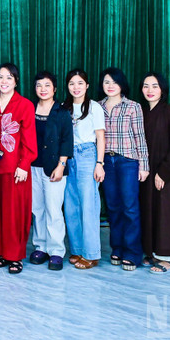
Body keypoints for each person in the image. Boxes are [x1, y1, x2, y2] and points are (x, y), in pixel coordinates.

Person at [0, 63, 37, 275]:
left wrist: (24, 165)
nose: (4, 81)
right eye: (0, 77)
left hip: (16, 169)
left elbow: (29, 140)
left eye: (9, 77)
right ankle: (1, 252)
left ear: (16, 81)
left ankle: (15, 256)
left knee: (15, 214)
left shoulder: (25, 105)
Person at [99, 67, 149, 271]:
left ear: (122, 84)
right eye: (106, 82)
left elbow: (140, 137)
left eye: (114, 82)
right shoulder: (97, 107)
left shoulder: (133, 106)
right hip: (106, 162)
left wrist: (144, 165)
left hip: (128, 161)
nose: (110, 86)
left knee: (130, 207)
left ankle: (132, 252)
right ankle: (117, 248)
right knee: (113, 207)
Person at [140, 72, 170, 274]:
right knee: (148, 211)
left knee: (166, 213)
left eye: (155, 86)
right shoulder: (141, 112)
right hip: (146, 172)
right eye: (146, 86)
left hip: (167, 174)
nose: (150, 90)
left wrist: (164, 173)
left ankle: (169, 258)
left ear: (163, 89)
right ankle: (152, 252)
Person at [61, 69, 105, 270]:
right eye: (72, 83)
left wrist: (99, 163)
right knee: (71, 205)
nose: (76, 87)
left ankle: (91, 254)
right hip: (68, 157)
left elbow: (100, 137)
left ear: (87, 85)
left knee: (89, 205)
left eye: (80, 83)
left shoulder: (94, 107)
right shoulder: (64, 107)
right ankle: (77, 249)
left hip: (88, 155)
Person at [29, 71, 73, 271]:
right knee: (37, 209)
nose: (43, 89)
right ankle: (41, 246)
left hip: (54, 168)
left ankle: (56, 251)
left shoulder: (61, 111)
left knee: (54, 210)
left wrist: (61, 165)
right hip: (32, 167)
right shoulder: (30, 108)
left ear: (54, 89)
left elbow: (67, 139)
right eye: (39, 85)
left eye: (47, 85)